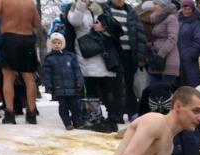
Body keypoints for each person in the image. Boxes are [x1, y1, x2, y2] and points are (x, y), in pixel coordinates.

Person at [67, 0, 122, 132]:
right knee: (91, 90)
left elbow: (113, 27)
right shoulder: (74, 10)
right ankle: (95, 118)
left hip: (104, 55)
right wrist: (81, 5)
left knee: (108, 90)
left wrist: (103, 27)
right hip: (87, 55)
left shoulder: (99, 9)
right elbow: (75, 22)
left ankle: (112, 119)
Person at [0, 0, 40, 124]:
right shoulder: (30, 2)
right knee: (29, 78)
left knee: (8, 78)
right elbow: (37, 23)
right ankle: (31, 113)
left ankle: (10, 114)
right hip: (27, 39)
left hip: (9, 38)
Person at [103, 0, 147, 121]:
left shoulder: (131, 12)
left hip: (129, 54)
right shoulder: (105, 10)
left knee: (129, 84)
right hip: (114, 53)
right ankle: (117, 113)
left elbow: (140, 35)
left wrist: (141, 57)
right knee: (115, 85)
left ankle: (133, 111)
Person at [42, 32, 84, 129]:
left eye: (59, 43)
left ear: (63, 43)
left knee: (75, 107)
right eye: (54, 43)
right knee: (63, 107)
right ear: (51, 44)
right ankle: (67, 123)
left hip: (72, 88)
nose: (56, 45)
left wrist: (80, 81)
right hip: (59, 88)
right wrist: (48, 85)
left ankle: (77, 122)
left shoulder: (71, 56)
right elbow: (47, 73)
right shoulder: (49, 58)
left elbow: (77, 70)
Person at [147, 0, 179, 87]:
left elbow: (172, 39)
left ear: (163, 5)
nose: (154, 6)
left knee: (165, 93)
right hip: (156, 61)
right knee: (149, 90)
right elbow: (158, 40)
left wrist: (160, 55)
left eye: (156, 4)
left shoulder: (171, 18)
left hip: (167, 61)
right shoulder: (159, 20)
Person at [177, 0, 200, 87]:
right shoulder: (178, 21)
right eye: (185, 9)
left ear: (193, 10)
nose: (187, 11)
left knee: (193, 85)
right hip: (178, 60)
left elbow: (199, 41)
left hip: (191, 61)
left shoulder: (196, 23)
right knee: (180, 87)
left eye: (189, 9)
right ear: (182, 9)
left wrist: (188, 55)